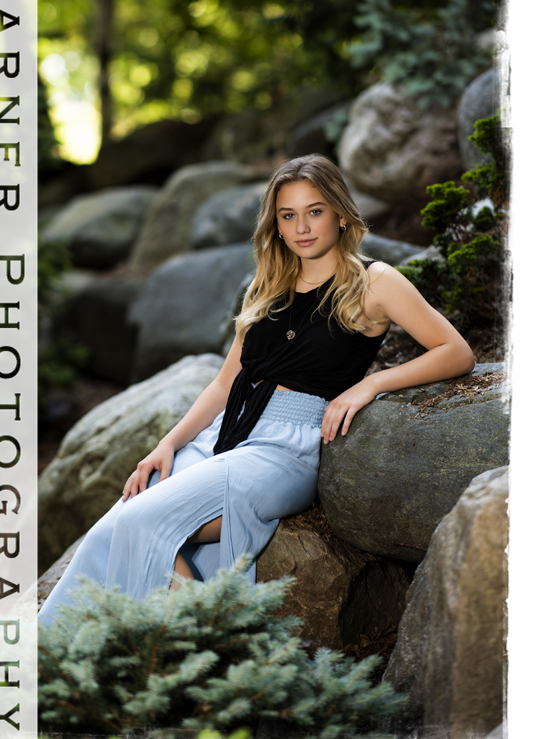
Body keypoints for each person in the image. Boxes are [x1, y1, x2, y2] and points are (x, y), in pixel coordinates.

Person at [38, 154, 474, 623]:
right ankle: (64, 667)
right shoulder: (265, 287)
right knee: (113, 525)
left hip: (284, 448)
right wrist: (167, 444)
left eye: (315, 211)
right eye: (288, 215)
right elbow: (225, 383)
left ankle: (216, 651)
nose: (302, 227)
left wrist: (370, 385)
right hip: (223, 436)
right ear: (277, 226)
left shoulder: (375, 282)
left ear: (340, 214)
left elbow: (455, 351)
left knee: (140, 522)